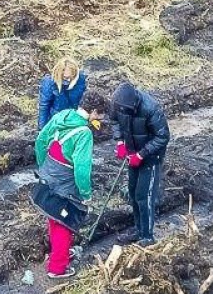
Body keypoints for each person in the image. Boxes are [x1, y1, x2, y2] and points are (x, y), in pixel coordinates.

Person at [32, 89, 110, 279]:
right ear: (93, 112)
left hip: (48, 177)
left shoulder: (64, 115)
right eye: (100, 114)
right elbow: (82, 169)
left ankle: (61, 254)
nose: (101, 118)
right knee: (64, 224)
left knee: (53, 218)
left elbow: (41, 140)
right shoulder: (84, 134)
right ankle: (57, 268)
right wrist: (85, 194)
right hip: (64, 185)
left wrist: (45, 166)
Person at [111, 82, 171, 246]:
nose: (123, 112)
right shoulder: (119, 103)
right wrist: (120, 142)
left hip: (150, 158)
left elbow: (163, 137)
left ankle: (147, 236)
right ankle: (138, 229)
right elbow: (114, 120)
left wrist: (142, 154)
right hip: (132, 154)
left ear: (135, 103)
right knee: (133, 193)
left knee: (145, 196)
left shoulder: (151, 108)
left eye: (126, 110)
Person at [37, 57, 86, 128]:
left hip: (74, 117)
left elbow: (83, 100)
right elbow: (44, 106)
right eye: (65, 77)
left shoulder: (80, 78)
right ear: (59, 73)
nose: (68, 80)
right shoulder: (49, 82)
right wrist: (41, 128)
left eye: (71, 77)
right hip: (57, 118)